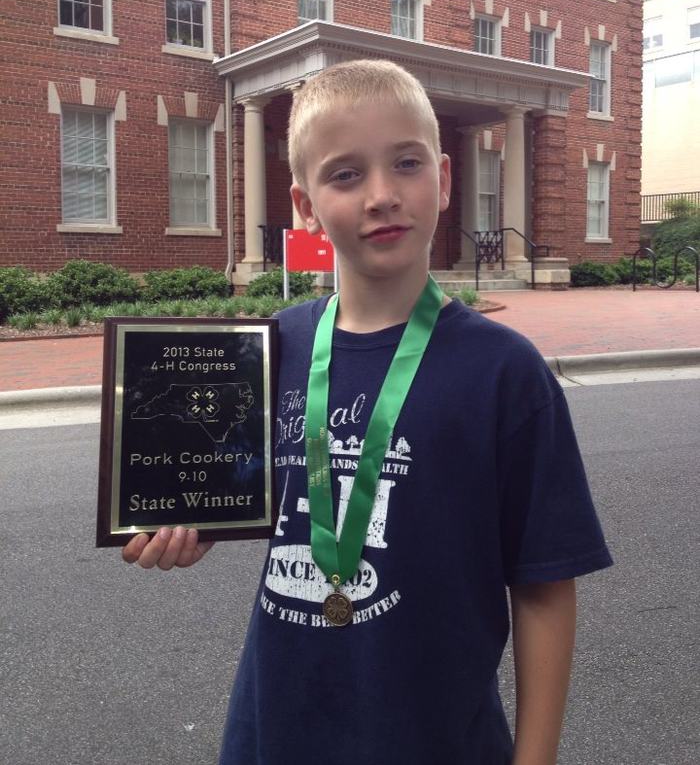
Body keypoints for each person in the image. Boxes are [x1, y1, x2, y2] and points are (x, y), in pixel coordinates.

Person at [123, 60, 612, 764]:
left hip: (437, 738)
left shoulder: (507, 374)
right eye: (346, 174)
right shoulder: (275, 346)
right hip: (275, 733)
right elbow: (231, 485)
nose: (383, 195)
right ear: (304, 203)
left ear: (443, 179)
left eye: (406, 163)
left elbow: (542, 584)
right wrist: (190, 522)